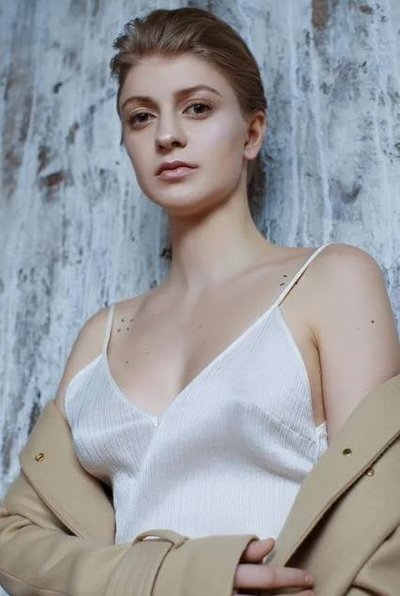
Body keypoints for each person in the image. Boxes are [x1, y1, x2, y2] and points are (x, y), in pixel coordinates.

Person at [1, 7, 399, 596]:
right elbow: (15, 539)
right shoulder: (101, 335)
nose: (167, 135)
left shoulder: (331, 281)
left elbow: (382, 520)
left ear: (252, 133)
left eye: (197, 108)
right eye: (141, 117)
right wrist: (173, 577)